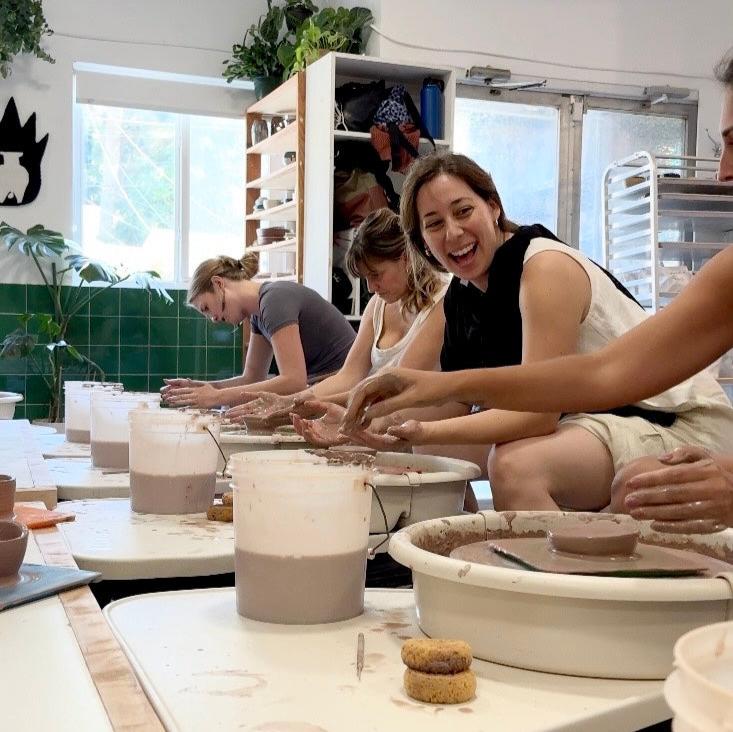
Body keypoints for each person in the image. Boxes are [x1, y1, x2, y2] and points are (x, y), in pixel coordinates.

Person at [340, 147, 733, 519]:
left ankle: (560, 580)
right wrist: (355, 424)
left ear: (493, 207)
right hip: (590, 414)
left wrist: (422, 424)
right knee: (419, 448)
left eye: (464, 211)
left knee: (515, 465)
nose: (454, 233)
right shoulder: (460, 297)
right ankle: (466, 548)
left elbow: (539, 415)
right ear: (421, 242)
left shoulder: (542, 268)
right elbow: (455, 407)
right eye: (435, 224)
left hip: (671, 417)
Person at [224, 208, 449, 447]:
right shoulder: (377, 304)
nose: (371, 287)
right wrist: (296, 401)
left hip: (418, 431)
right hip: (379, 421)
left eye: (376, 274)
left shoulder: (443, 303)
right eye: (366, 278)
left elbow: (395, 389)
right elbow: (349, 375)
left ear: (406, 257)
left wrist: (301, 404)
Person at [162, 253, 356, 408]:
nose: (212, 319)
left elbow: (294, 381)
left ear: (218, 284)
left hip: (349, 387)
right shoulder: (258, 314)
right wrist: (204, 389)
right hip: (325, 386)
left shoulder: (274, 301)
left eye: (206, 308)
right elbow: (252, 378)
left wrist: (217, 397)